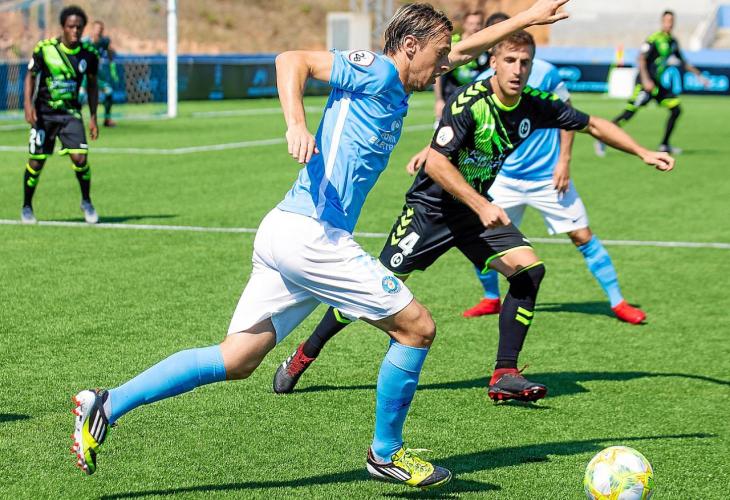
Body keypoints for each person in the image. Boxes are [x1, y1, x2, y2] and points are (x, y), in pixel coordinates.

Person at [70, 1, 574, 488]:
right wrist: (296, 123)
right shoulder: (377, 70)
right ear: (410, 46)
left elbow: (463, 50)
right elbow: (292, 60)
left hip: (287, 230)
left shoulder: (400, 80)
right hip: (312, 236)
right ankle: (386, 454)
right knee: (417, 328)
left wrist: (529, 17)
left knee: (237, 359)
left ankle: (107, 403)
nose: (446, 63)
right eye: (438, 53)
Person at [272, 30, 673, 407]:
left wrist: (642, 152)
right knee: (368, 295)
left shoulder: (534, 103)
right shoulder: (470, 101)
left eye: (525, 62)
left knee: (528, 272)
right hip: (429, 212)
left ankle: (504, 373)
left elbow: (592, 124)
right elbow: (435, 163)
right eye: (510, 60)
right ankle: (306, 352)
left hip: (474, 212)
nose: (518, 69)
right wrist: (481, 205)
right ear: (493, 62)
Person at [461, 16, 646, 324]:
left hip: (547, 177)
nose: (517, 67)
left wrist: (564, 160)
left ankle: (618, 301)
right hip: (504, 178)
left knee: (582, 235)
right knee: (485, 240)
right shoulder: (482, 81)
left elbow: (569, 115)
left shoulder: (545, 72)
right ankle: (491, 298)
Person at [21, 5, 100, 225]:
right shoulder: (45, 49)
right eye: (71, 26)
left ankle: (86, 201)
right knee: (36, 163)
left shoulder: (89, 54)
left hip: (70, 114)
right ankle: (26, 206)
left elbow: (93, 85)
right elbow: (30, 76)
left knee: (80, 158)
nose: (75, 31)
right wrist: (28, 106)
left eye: (79, 27)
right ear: (63, 27)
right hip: (44, 115)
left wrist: (94, 117)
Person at [596, 10, 710, 156]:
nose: (669, 24)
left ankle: (664, 145)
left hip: (657, 84)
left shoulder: (672, 41)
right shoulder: (654, 39)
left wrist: (699, 76)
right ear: (662, 22)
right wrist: (646, 80)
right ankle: (602, 138)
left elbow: (683, 61)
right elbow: (641, 58)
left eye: (671, 21)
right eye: (667, 21)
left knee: (676, 109)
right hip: (644, 83)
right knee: (628, 114)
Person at [433, 9, 489, 122]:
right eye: (471, 24)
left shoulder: (486, 49)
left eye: (478, 24)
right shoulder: (453, 45)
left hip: (476, 104)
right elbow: (438, 72)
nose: (475, 27)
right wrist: (439, 100)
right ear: (464, 24)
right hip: (450, 100)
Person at [84, 20, 118, 128]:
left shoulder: (104, 42)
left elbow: (111, 53)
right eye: (97, 29)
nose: (99, 31)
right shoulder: (85, 42)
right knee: (79, 96)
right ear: (92, 29)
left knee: (109, 92)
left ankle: (107, 119)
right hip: (84, 76)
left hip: (97, 76)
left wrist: (113, 69)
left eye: (101, 29)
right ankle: (74, 120)